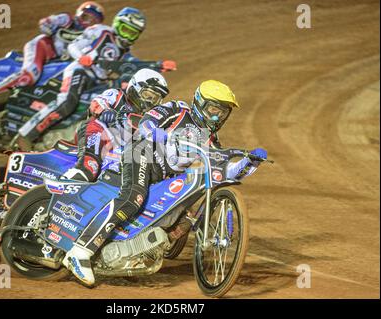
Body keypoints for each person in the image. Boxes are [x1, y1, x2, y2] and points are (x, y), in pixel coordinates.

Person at [62, 80, 268, 286]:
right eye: (214, 109)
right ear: (200, 103)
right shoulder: (178, 109)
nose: (217, 116)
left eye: (222, 113)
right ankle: (80, 251)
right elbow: (146, 123)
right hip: (141, 152)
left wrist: (248, 163)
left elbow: (224, 174)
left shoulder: (210, 140)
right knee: (133, 198)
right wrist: (162, 135)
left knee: (181, 216)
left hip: (160, 176)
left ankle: (125, 249)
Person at [17, 7, 147, 146]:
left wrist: (160, 65)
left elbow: (134, 66)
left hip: (97, 82)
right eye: (125, 30)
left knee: (99, 109)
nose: (126, 36)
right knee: (67, 101)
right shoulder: (100, 30)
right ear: (117, 24)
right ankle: (26, 135)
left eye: (132, 34)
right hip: (80, 71)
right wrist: (82, 57)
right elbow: (73, 45)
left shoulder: (125, 52)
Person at [61, 68, 169, 182]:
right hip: (95, 135)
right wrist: (105, 110)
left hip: (119, 152)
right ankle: (84, 169)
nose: (150, 102)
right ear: (136, 87)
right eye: (148, 95)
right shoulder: (117, 95)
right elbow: (96, 104)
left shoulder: (150, 119)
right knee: (99, 125)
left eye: (155, 99)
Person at [0, 2, 105, 95]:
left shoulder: (90, 37)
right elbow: (45, 22)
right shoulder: (67, 19)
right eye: (86, 16)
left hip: (58, 61)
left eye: (93, 20)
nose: (88, 22)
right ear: (79, 14)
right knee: (30, 75)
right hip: (44, 47)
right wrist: (49, 27)